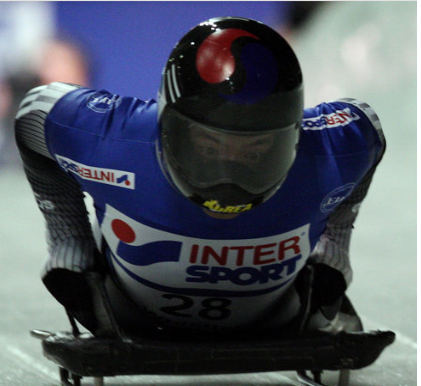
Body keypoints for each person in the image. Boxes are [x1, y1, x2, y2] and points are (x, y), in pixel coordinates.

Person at [15, 17, 385, 340]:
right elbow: (367, 124)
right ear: (166, 127)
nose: (229, 178)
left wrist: (332, 249)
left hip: (138, 316)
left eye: (255, 151)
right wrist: (69, 239)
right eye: (210, 147)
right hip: (136, 311)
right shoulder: (341, 147)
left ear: (292, 136)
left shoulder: (340, 149)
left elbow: (35, 111)